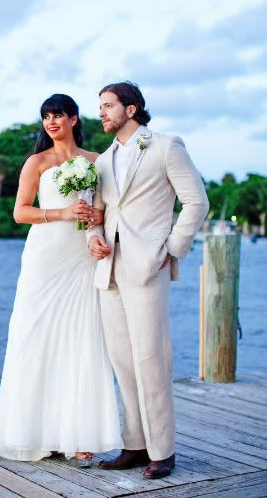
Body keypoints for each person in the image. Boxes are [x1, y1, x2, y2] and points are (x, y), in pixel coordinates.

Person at [0, 93, 123, 465]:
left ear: (74, 119)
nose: (51, 122)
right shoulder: (37, 162)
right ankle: (35, 431)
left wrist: (96, 231)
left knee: (82, 339)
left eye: (57, 115)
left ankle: (80, 432)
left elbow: (103, 211)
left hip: (80, 257)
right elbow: (19, 212)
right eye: (46, 116)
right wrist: (62, 212)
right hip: (45, 259)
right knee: (37, 336)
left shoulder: (96, 161)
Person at [88, 81, 209, 479]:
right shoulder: (103, 160)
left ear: (132, 108)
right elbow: (98, 212)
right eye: (100, 106)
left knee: (151, 359)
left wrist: (171, 248)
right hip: (110, 269)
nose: (102, 113)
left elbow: (196, 201)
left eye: (108, 106)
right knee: (123, 361)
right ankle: (134, 445)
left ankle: (163, 451)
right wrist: (94, 239)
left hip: (148, 265)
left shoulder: (165, 146)